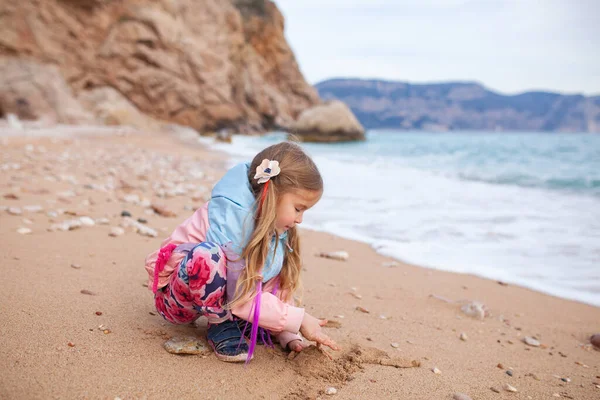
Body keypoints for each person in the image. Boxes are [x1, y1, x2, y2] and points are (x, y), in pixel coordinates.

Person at [144, 142, 339, 363]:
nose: (300, 219)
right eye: (298, 208)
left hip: (228, 296)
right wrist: (299, 319)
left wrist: (287, 332)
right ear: (271, 195)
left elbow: (275, 284)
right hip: (177, 300)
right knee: (209, 256)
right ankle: (219, 324)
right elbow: (239, 295)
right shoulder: (229, 224)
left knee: (261, 277)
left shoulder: (277, 230)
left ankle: (233, 318)